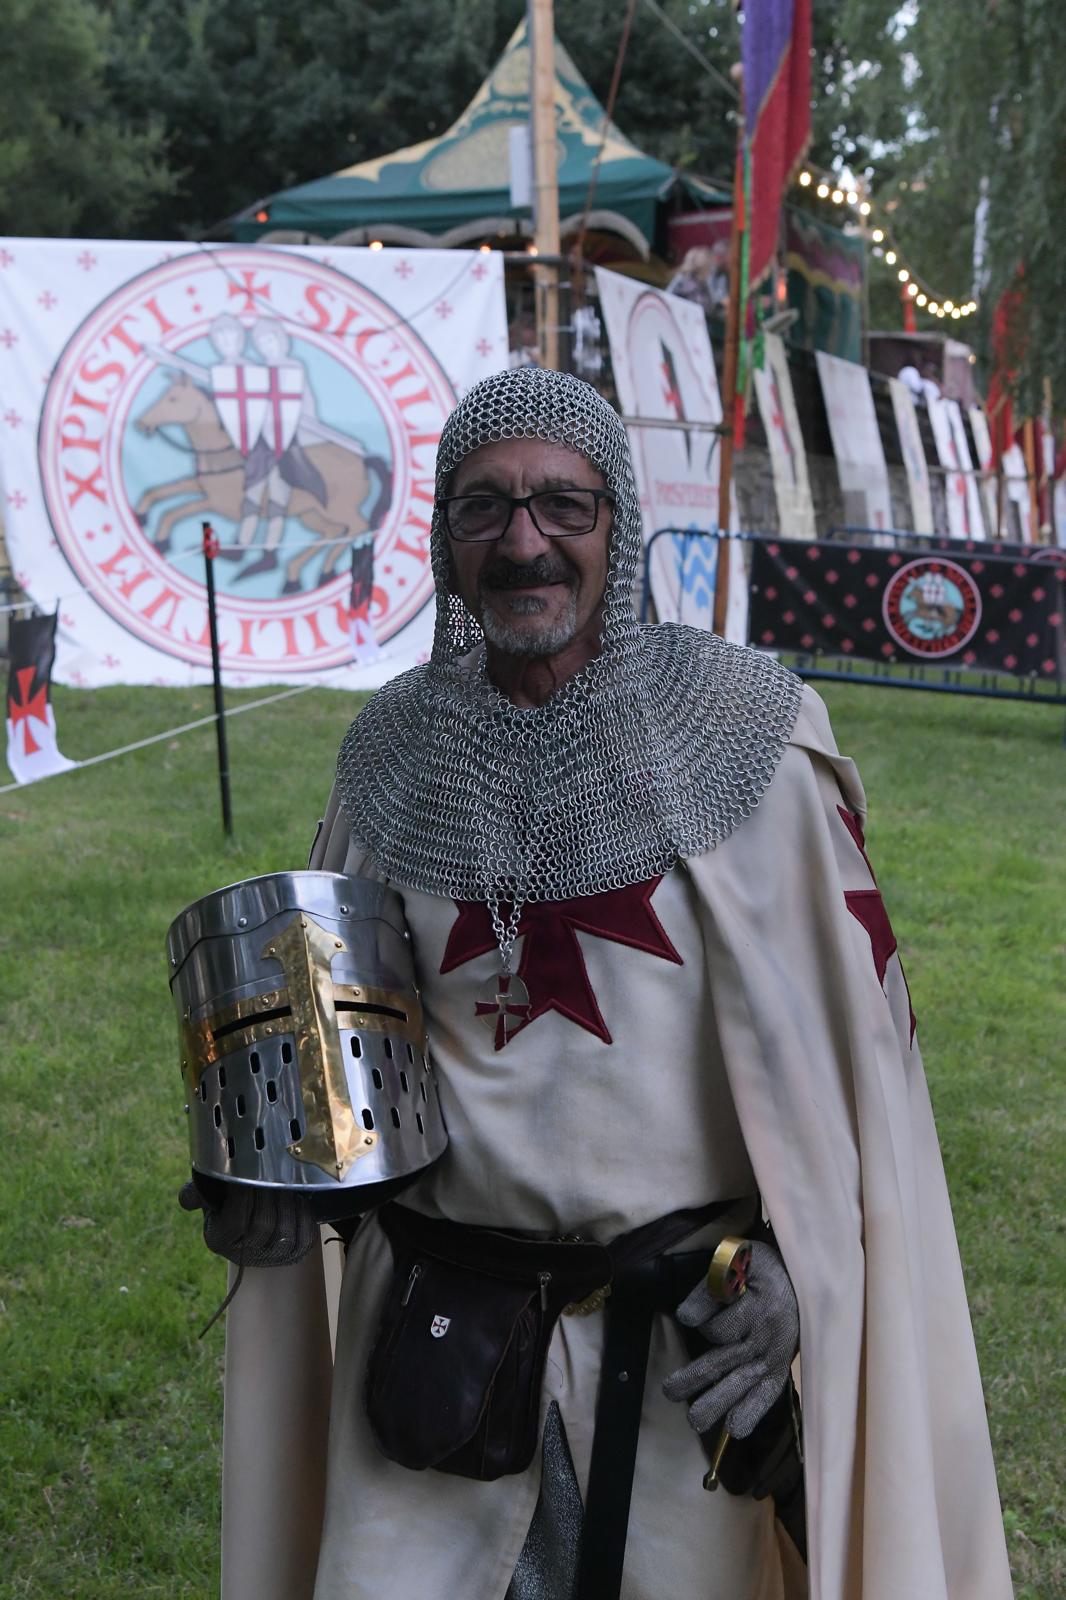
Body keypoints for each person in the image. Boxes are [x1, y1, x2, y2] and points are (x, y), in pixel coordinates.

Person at [186, 367, 1012, 1600]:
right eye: (485, 508)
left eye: (562, 505)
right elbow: (339, 1076)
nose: (525, 543)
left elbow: (850, 1090)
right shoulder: (391, 765)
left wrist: (793, 1263)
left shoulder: (752, 750)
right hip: (436, 1342)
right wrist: (278, 1196)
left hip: (681, 1349)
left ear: (617, 526)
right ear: (443, 540)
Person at [667, 244, 729, 316]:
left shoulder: (683, 279)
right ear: (704, 267)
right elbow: (705, 310)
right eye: (710, 267)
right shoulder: (689, 284)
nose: (711, 270)